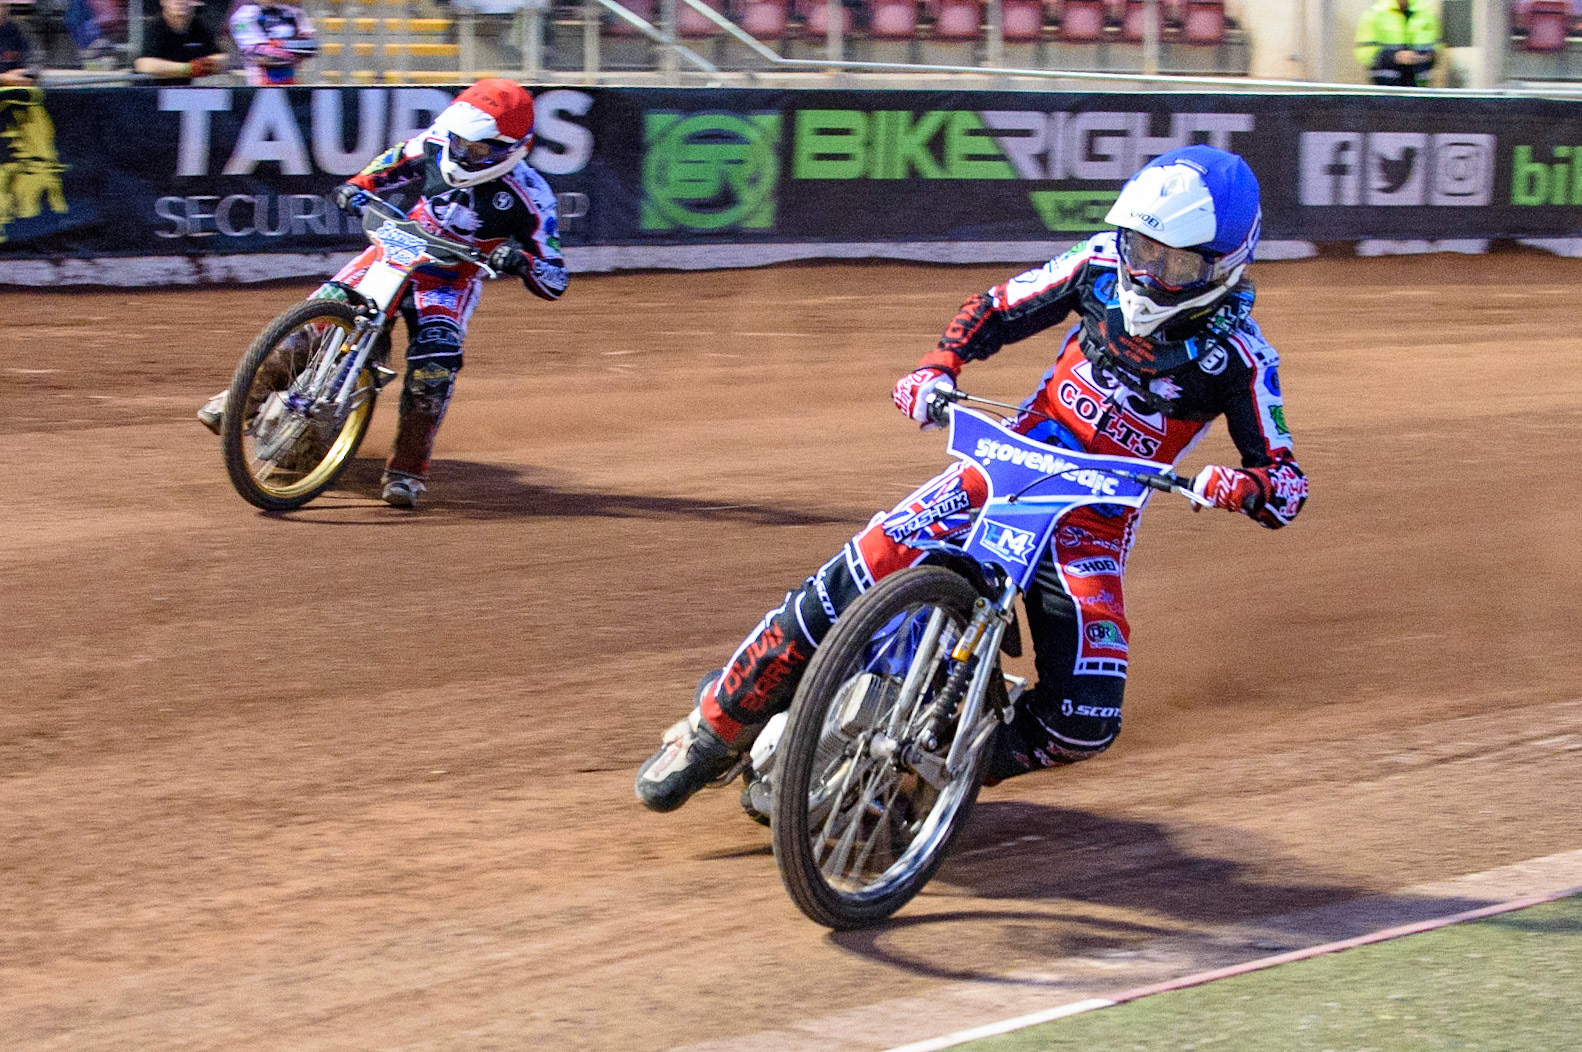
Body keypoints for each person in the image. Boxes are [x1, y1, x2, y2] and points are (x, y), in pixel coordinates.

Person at [635, 145, 1308, 814]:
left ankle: (931, 774)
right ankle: (713, 728)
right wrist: (938, 365)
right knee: (853, 574)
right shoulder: (1099, 265)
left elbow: (1286, 484)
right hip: (1006, 466)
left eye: (1174, 261)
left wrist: (1243, 488)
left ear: (1222, 266)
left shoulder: (1245, 359)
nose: (1147, 269)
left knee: (1084, 723)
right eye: (1140, 246)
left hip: (1091, 526)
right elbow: (997, 306)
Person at [197, 78, 569, 510]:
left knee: (435, 367)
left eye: (477, 147)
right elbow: (396, 161)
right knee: (318, 316)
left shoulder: (533, 196)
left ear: (511, 148)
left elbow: (555, 276)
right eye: (459, 140)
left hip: (449, 278)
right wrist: (359, 185)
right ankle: (242, 399)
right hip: (398, 245)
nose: (462, 151)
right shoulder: (437, 143)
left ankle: (407, 471)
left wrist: (522, 262)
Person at [133, 0, 227, 84]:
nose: (180, 2)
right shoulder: (153, 28)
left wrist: (208, 64)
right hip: (153, 93)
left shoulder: (200, 27)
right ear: (163, 2)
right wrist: (188, 69)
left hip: (187, 93)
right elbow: (143, 64)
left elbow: (223, 57)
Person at [228, 0, 317, 85]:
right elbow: (258, 54)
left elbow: (310, 47)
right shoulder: (243, 16)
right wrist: (291, 49)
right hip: (260, 84)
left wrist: (277, 45)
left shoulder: (294, 11)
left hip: (296, 82)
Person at [1354, 0, 1440, 87]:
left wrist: (1426, 56)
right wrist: (1395, 57)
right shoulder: (1375, 13)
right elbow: (1365, 53)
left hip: (1419, 87)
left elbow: (1436, 47)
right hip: (1386, 88)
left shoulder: (1427, 13)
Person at [0, 0, 37, 85]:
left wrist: (25, 72)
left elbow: (35, 62)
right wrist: (2, 78)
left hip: (16, 89)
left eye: (4, 6)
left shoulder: (20, 30)